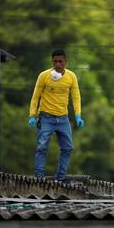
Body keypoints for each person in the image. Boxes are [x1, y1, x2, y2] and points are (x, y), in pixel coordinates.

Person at [28, 49, 84, 181]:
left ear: (66, 62)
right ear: (51, 62)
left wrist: (78, 116)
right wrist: (32, 115)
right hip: (46, 116)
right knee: (42, 146)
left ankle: (60, 177)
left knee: (68, 148)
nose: (58, 64)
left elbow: (76, 97)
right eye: (55, 62)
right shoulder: (44, 76)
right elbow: (35, 96)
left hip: (63, 118)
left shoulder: (71, 76)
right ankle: (39, 178)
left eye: (60, 62)